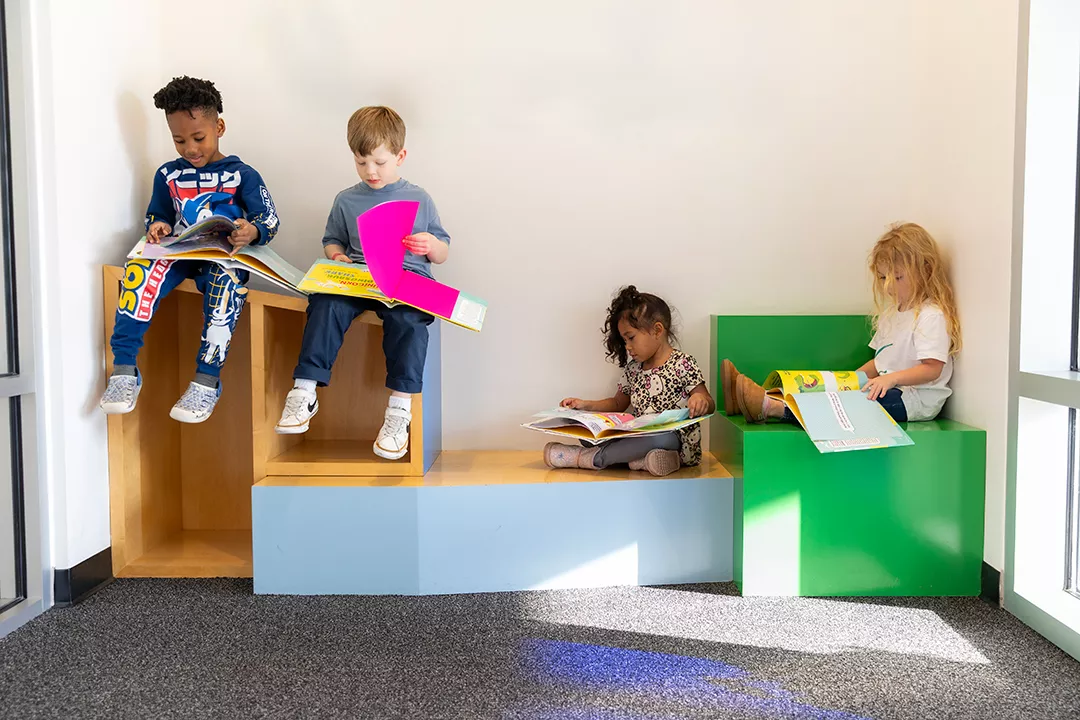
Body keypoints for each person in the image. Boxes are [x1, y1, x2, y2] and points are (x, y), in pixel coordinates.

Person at [100, 76, 280, 423]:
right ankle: (124, 369)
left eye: (199, 138)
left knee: (226, 286)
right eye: (179, 140)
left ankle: (206, 381)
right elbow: (158, 215)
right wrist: (157, 226)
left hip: (221, 257)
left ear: (220, 127)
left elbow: (269, 221)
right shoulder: (167, 175)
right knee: (138, 270)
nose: (190, 149)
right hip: (180, 252)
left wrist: (251, 230)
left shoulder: (242, 174)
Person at [274, 106, 450, 460]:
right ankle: (304, 390)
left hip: (405, 281)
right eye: (361, 162)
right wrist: (336, 256)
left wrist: (431, 246)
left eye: (380, 163)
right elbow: (332, 240)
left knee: (410, 323)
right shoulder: (346, 199)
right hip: (359, 279)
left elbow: (443, 250)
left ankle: (399, 411)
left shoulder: (420, 198)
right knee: (324, 304)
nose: (370, 171)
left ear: (400, 156)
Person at [728, 222, 962, 425]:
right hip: (887, 388)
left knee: (846, 406)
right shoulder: (893, 314)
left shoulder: (930, 316)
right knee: (828, 389)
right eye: (883, 278)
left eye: (897, 277)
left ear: (925, 270)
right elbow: (877, 363)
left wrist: (891, 378)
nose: (888, 287)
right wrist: (844, 382)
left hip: (913, 401)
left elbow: (932, 368)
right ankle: (758, 396)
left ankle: (772, 407)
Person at [545, 286, 715, 477]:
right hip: (639, 433)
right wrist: (585, 406)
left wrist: (700, 400)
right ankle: (646, 462)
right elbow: (618, 403)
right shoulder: (634, 368)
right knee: (591, 436)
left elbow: (708, 402)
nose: (628, 347)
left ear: (657, 330)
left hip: (674, 440)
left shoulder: (683, 363)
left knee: (658, 437)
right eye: (624, 341)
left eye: (631, 338)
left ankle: (589, 458)